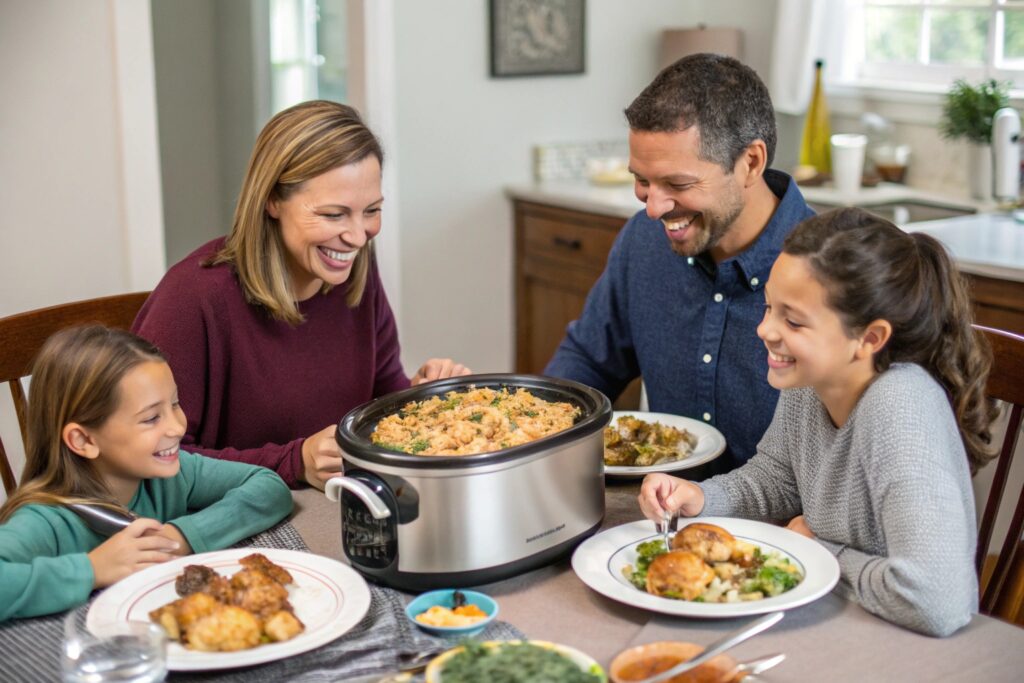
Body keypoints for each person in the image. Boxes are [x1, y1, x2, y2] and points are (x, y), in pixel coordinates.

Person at [638, 208, 998, 637]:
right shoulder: (811, 379)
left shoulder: (901, 406)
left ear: (869, 338)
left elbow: (936, 601)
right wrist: (697, 497)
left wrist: (821, 552)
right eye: (768, 307)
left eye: (792, 320)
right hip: (836, 615)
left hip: (900, 643)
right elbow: (776, 479)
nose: (765, 330)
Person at [133, 100, 470, 490]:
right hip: (234, 518)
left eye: (372, 210)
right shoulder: (194, 298)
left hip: (332, 502)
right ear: (273, 199)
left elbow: (381, 394)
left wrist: (423, 397)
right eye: (333, 214)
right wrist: (293, 462)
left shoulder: (354, 268)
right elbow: (150, 459)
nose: (358, 236)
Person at [545, 54, 815, 475]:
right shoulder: (642, 241)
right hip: (661, 513)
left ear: (751, 163)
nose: (654, 208)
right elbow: (592, 360)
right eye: (642, 180)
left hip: (787, 531)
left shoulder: (831, 271)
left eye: (678, 184)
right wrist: (532, 433)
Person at [0, 326, 293, 621]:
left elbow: (268, 487)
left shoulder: (171, 476)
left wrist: (181, 536)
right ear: (84, 440)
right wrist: (92, 569)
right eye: (152, 417)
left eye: (175, 404)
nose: (178, 427)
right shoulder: (45, 521)